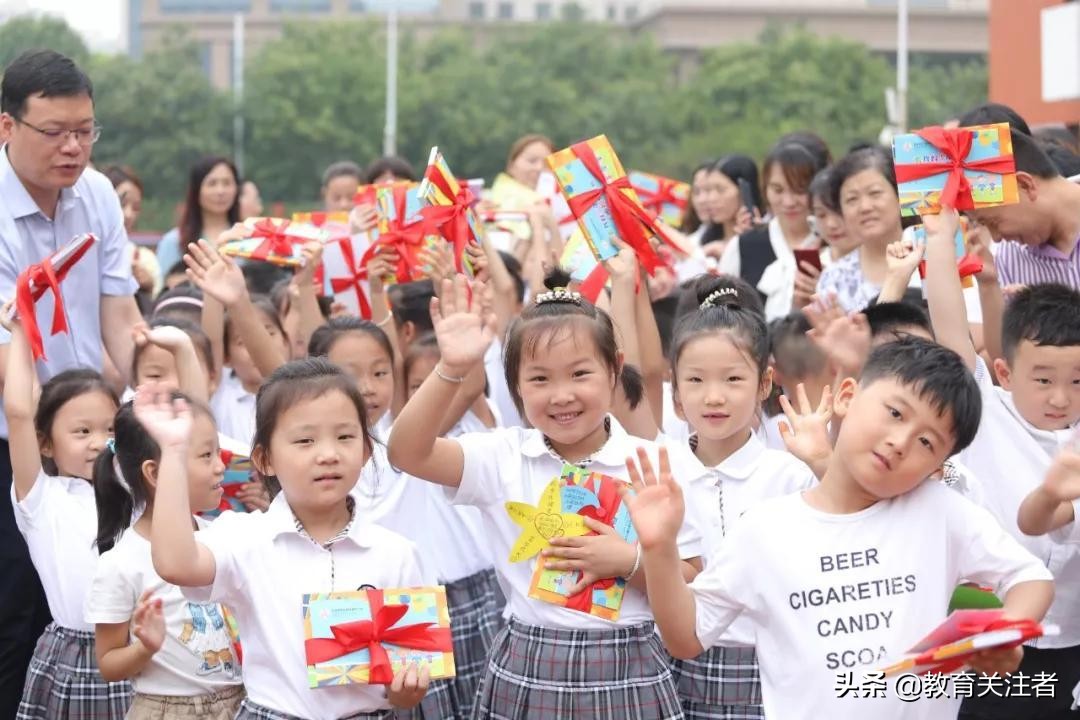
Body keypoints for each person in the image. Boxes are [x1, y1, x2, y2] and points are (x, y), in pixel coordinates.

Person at [627, 336, 1054, 720]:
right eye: (894, 413)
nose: (900, 441)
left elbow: (1030, 578)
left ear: (938, 466)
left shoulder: (940, 511)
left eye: (927, 442)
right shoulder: (764, 529)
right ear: (849, 395)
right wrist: (661, 546)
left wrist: (1005, 630)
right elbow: (686, 636)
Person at [388, 277, 703, 719]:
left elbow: (692, 577)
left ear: (614, 369)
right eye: (539, 378)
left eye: (580, 373)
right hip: (528, 660)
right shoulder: (502, 457)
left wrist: (629, 562)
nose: (561, 395)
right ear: (514, 384)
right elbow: (406, 452)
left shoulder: (653, 463)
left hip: (631, 661)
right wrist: (453, 367)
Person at [146, 360, 430, 719]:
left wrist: (407, 690)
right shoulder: (247, 538)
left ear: (365, 450)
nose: (328, 454)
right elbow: (174, 563)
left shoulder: (397, 553)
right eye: (304, 440)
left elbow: (405, 688)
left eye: (344, 436)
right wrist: (172, 451)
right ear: (264, 459)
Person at [0, 49, 142, 718]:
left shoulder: (97, 196)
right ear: (6, 127)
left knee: (98, 596)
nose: (73, 146)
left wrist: (149, 393)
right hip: (14, 435)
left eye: (85, 130)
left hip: (92, 435)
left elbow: (119, 315)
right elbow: (11, 354)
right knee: (14, 606)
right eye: (53, 131)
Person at [923, 210, 1080, 720]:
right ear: (1005, 371)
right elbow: (950, 325)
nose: (1060, 397)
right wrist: (938, 239)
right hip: (990, 635)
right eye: (1042, 380)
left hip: (1072, 641)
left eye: (1077, 380)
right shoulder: (986, 410)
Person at [664, 279, 816, 719]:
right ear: (675, 392)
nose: (714, 396)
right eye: (695, 380)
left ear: (764, 382)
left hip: (767, 662)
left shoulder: (790, 475)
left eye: (733, 379)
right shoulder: (660, 472)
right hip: (674, 661)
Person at [2, 307, 131, 718]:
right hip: (74, 654)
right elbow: (20, 412)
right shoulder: (44, 499)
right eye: (81, 431)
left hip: (137, 648)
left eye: (110, 430)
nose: (99, 443)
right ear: (45, 445)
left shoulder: (134, 491)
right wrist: (21, 336)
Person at [86, 398, 245, 719]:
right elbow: (108, 665)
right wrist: (145, 647)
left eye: (217, 451)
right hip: (166, 710)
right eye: (205, 455)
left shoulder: (225, 535)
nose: (220, 466)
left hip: (240, 703)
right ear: (155, 473)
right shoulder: (121, 563)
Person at [718, 141, 824, 320]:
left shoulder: (832, 243)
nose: (789, 202)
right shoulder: (744, 246)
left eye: (799, 190)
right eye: (778, 190)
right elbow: (720, 314)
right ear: (765, 189)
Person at [962, 131, 1080, 289]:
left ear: (1025, 185)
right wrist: (990, 285)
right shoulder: (1009, 256)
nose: (996, 238)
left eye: (994, 222)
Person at [814, 146, 911, 313]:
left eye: (875, 193)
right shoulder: (833, 278)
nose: (865, 207)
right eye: (852, 199)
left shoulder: (933, 258)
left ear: (899, 195)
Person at [154, 156, 240, 283]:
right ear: (196, 191)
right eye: (212, 184)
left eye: (227, 183)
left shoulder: (246, 239)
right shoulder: (174, 241)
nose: (220, 191)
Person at [104, 165, 161, 304]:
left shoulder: (145, 260)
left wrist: (149, 286)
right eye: (122, 204)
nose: (128, 214)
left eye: (136, 207)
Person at [699, 155, 762, 259]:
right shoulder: (701, 239)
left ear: (744, 191)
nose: (711, 198)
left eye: (720, 190)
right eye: (709, 190)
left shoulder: (765, 236)